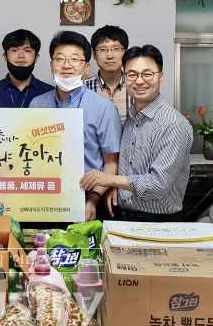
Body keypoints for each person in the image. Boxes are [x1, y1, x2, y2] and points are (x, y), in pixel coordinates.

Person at [79, 45, 193, 222]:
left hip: (158, 221)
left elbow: (158, 185)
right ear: (125, 78)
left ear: (161, 77)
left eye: (147, 74)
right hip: (122, 216)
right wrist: (115, 187)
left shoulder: (172, 123)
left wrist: (110, 180)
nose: (139, 81)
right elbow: (127, 167)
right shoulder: (132, 118)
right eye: (132, 75)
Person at [30, 31, 122, 222]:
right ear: (51, 65)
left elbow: (112, 163)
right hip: (43, 199)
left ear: (87, 67)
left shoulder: (103, 108)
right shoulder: (36, 105)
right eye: (60, 59)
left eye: (74, 59)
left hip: (88, 199)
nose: (66, 65)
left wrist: (93, 199)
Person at [0, 29, 53, 108]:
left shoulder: (51, 93)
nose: (21, 56)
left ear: (36, 57)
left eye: (27, 51)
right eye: (15, 50)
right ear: (5, 56)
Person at [84, 25, 132, 123]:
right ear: (94, 55)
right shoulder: (83, 88)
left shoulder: (136, 86)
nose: (110, 56)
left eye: (116, 49)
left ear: (126, 53)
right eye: (103, 50)